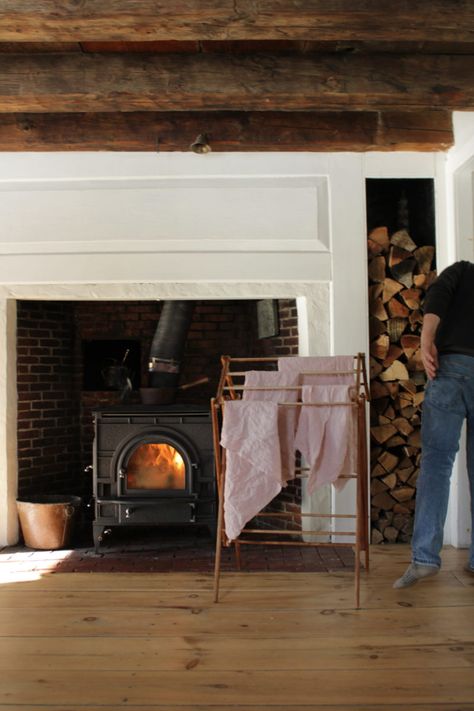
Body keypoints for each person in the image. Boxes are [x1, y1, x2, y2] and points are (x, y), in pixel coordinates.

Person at [394, 259, 474, 588]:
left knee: (437, 463)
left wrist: (426, 340)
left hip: (450, 367)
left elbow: (438, 296)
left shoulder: (463, 271)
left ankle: (425, 558)